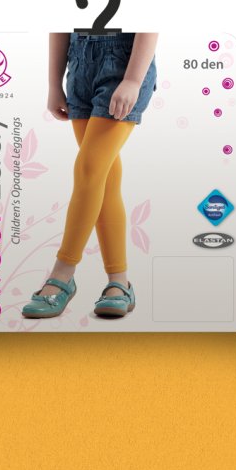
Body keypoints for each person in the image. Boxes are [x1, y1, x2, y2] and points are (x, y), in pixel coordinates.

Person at [22, 32, 158, 320]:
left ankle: (62, 273)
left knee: (89, 171)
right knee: (104, 180)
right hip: (79, 65)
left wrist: (133, 80)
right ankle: (120, 282)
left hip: (124, 64)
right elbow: (59, 24)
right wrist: (54, 84)